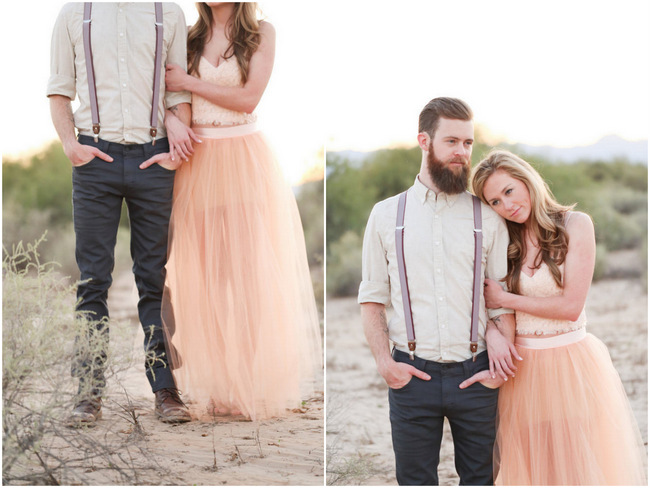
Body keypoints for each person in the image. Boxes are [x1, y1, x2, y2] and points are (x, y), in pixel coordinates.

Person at [142, 2, 322, 421]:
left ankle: (245, 387)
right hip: (197, 161)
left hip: (242, 159)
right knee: (206, 279)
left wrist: (188, 80)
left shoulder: (261, 31)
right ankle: (219, 390)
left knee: (243, 279)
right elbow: (167, 95)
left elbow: (247, 98)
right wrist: (172, 119)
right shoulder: (186, 35)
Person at [358, 97, 520, 485]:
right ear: (424, 141)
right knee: (414, 481)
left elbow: (499, 301)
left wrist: (497, 370)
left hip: (477, 375)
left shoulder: (488, 216)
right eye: (451, 141)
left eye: (467, 143)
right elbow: (371, 298)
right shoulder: (385, 215)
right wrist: (385, 363)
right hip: (412, 376)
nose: (462, 152)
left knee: (482, 479)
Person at [47, 2, 195, 426]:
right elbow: (59, 88)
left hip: (154, 158)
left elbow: (178, 91)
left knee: (153, 277)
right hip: (95, 159)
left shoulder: (169, 12)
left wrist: (171, 151)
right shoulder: (74, 13)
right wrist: (70, 146)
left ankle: (165, 389)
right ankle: (88, 393)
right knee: (93, 279)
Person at [470, 149, 647, 485]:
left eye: (509, 191)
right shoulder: (504, 239)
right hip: (521, 369)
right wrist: (493, 333)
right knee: (532, 470)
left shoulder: (575, 225)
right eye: (494, 202)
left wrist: (506, 297)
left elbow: (571, 307)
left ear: (528, 181)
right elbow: (484, 304)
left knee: (574, 468)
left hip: (569, 363)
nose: (506, 205)